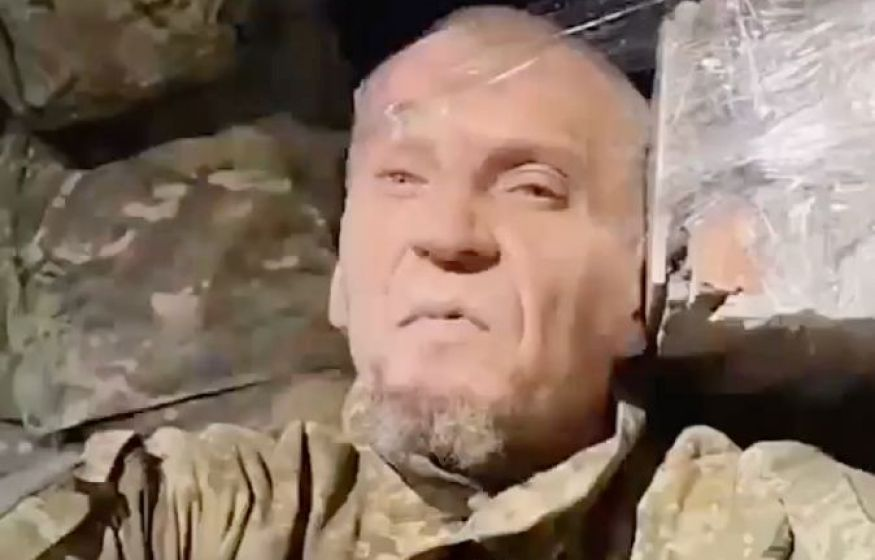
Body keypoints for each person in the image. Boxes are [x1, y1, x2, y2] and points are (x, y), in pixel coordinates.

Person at [2, 6, 875, 560]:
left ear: (639, 291)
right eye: (401, 179)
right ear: (342, 284)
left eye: (533, 188)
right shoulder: (192, 518)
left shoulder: (767, 526)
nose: (446, 235)